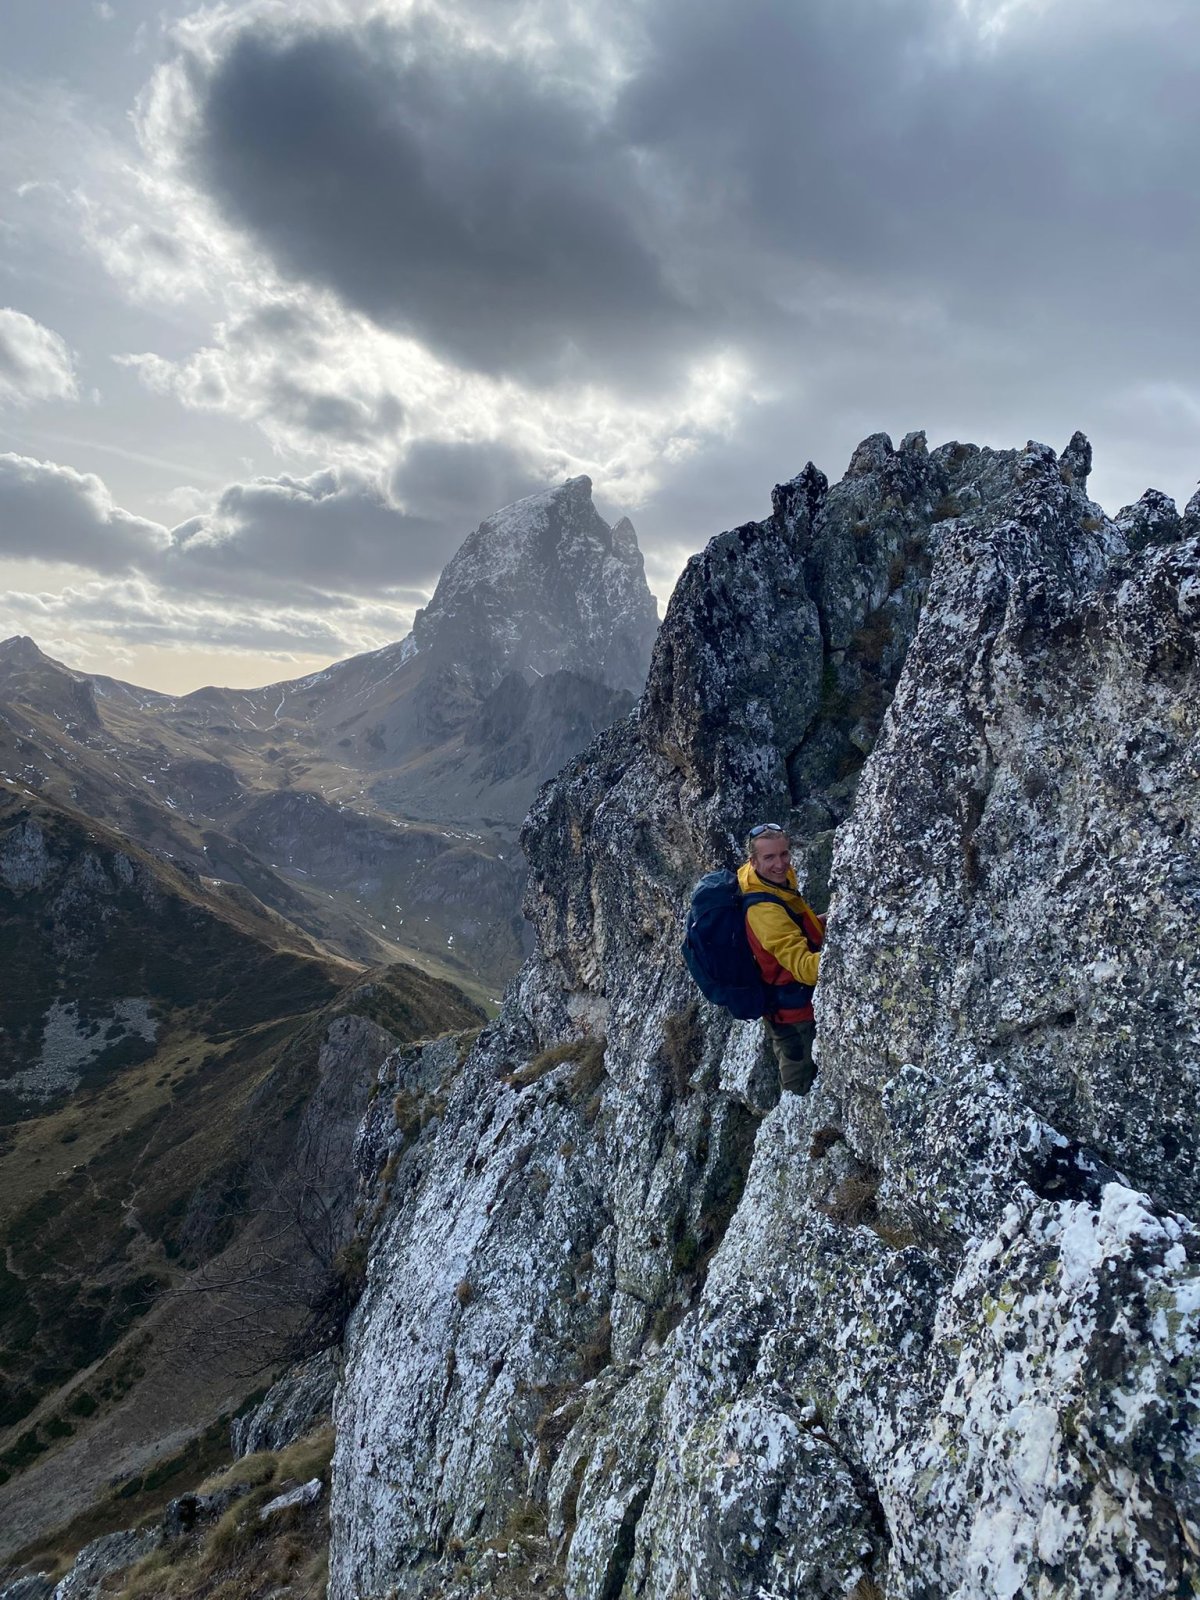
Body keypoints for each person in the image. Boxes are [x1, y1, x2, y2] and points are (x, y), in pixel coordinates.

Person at [737, 822, 825, 1094]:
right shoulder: (764, 910)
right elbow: (805, 969)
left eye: (784, 854)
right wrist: (852, 954)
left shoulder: (768, 880)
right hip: (793, 1013)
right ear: (753, 860)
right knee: (797, 1084)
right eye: (770, 857)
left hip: (794, 998)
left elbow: (796, 923)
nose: (780, 864)